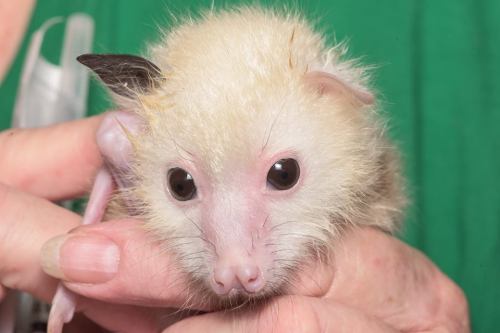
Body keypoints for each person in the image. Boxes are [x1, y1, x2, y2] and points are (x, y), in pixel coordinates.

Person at [0, 0, 472, 331]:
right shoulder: (129, 146)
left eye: (282, 175)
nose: (235, 267)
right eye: (182, 185)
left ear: (337, 95)